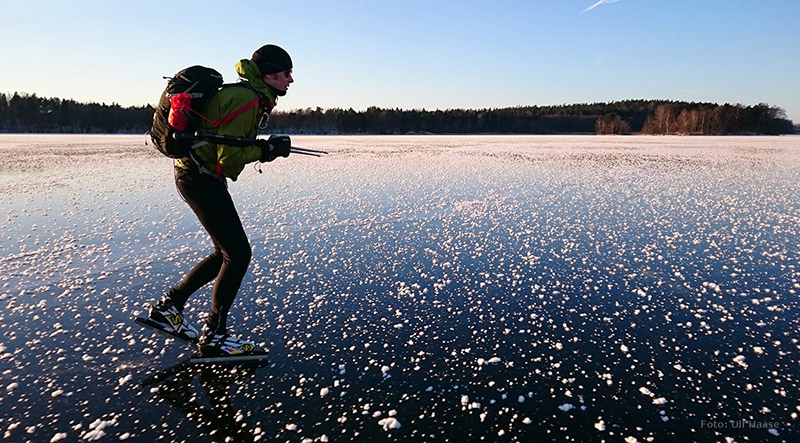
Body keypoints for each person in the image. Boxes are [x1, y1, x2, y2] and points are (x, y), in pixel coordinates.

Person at [147, 44, 294, 357]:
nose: (290, 80)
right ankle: (214, 335)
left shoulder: (248, 96)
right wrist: (266, 151)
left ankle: (168, 308)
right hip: (200, 179)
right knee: (238, 254)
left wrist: (261, 149)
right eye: (285, 73)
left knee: (224, 252)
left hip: (196, 176)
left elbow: (227, 148)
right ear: (268, 74)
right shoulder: (246, 99)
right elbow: (228, 160)